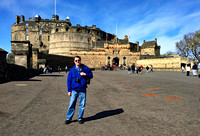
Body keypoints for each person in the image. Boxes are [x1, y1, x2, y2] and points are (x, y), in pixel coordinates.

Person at [65, 56, 93, 124]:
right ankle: (69, 118)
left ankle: (80, 118)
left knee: (82, 105)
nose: (77, 61)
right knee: (71, 104)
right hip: (74, 90)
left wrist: (85, 74)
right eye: (76, 60)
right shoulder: (72, 70)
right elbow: (69, 81)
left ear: (80, 60)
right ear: (74, 61)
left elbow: (91, 75)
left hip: (82, 90)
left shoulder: (85, 68)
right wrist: (69, 90)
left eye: (78, 60)